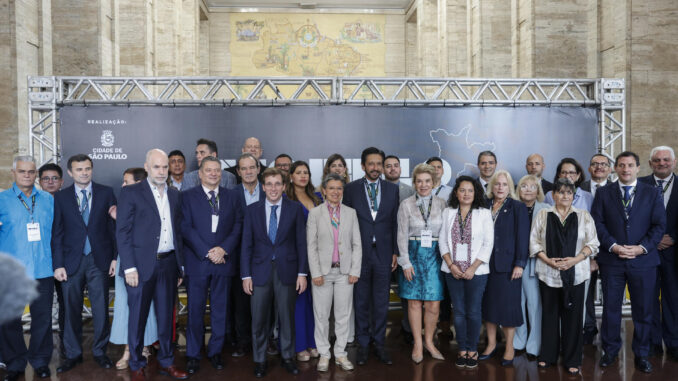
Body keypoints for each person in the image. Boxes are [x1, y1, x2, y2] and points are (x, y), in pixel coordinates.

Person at [116, 149, 188, 381]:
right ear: (146, 167)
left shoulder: (175, 195)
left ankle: (167, 362)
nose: (161, 171)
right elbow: (123, 232)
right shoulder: (131, 193)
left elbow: (178, 233)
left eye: (165, 167)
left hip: (168, 265)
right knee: (137, 318)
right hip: (139, 267)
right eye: (156, 167)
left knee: (167, 319)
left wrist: (179, 266)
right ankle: (136, 364)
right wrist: (128, 267)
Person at [592, 151, 665, 373]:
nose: (626, 169)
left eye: (630, 165)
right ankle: (610, 351)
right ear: (615, 168)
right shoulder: (604, 193)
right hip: (612, 260)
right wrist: (613, 245)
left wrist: (641, 248)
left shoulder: (652, 193)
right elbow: (597, 223)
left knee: (643, 310)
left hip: (643, 261)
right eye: (622, 165)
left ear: (638, 168)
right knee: (611, 309)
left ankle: (642, 354)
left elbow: (659, 226)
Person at [241, 168, 308, 378]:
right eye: (269, 184)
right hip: (259, 272)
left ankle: (288, 357)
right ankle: (260, 360)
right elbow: (246, 245)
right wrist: (246, 275)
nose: (273, 188)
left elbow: (301, 243)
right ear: (263, 187)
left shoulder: (295, 209)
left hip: (287, 271)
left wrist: (302, 273)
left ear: (284, 186)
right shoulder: (252, 210)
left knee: (286, 318)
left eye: (277, 183)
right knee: (259, 319)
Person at [52, 154, 116, 372]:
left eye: (87, 168)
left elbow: (112, 229)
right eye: (79, 169)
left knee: (100, 309)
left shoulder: (106, 193)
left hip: (99, 260)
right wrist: (58, 264)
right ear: (70, 172)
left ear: (92, 169)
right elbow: (57, 233)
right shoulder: (60, 198)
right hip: (71, 262)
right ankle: (72, 354)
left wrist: (115, 258)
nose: (84, 172)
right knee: (70, 310)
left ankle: (100, 352)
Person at [530, 178, 600, 374]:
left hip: (576, 273)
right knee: (550, 316)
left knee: (574, 318)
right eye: (560, 192)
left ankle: (572, 359)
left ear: (573, 196)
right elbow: (534, 242)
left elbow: (593, 243)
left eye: (569, 193)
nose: (565, 196)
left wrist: (574, 260)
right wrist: (548, 260)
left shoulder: (584, 216)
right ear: (553, 195)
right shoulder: (544, 214)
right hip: (548, 272)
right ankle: (548, 355)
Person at [182, 156, 243, 374]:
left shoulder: (232, 197)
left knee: (220, 311)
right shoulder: (187, 197)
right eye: (209, 170)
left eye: (217, 170)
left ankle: (216, 351)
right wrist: (208, 252)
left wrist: (223, 249)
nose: (213, 174)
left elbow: (238, 226)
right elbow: (185, 228)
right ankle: (193, 354)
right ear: (200, 173)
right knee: (195, 311)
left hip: (223, 262)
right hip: (197, 263)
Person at [342, 147, 399, 366]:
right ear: (363, 165)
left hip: (384, 254)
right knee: (362, 300)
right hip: (359, 254)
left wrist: (395, 251)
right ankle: (363, 344)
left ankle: (379, 344)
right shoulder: (351, 189)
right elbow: (346, 223)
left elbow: (394, 222)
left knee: (382, 302)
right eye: (371, 164)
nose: (375, 168)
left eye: (379, 164)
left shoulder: (391, 190)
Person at [0, 156, 55, 381]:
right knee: (9, 320)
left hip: (42, 268)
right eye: (22, 171)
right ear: (14, 173)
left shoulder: (48, 199)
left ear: (35, 174)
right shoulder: (2, 200)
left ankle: (40, 361)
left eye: (31, 172)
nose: (27, 175)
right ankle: (15, 362)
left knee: (42, 319)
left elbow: (57, 233)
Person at [307, 173, 362, 372]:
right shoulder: (315, 213)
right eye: (331, 188)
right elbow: (311, 246)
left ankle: (340, 353)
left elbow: (357, 244)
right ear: (323, 191)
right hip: (322, 272)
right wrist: (315, 273)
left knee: (343, 315)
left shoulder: (351, 213)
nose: (335, 192)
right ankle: (324, 353)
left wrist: (354, 270)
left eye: (339, 188)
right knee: (321, 315)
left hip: (344, 273)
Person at [439, 175, 494, 369]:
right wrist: (451, 265)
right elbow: (442, 241)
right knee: (459, 311)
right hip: (452, 270)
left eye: (470, 190)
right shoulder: (448, 212)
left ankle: (473, 349)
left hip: (476, 272)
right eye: (462, 190)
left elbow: (488, 243)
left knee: (473, 310)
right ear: (456, 192)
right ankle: (462, 349)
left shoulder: (484, 213)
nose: (466, 194)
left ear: (476, 193)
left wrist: (472, 267)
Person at [396, 164, 446, 363]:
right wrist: (405, 262)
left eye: (427, 181)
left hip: (435, 255)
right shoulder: (406, 204)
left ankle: (429, 342)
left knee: (433, 303)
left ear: (433, 183)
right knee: (414, 301)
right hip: (413, 254)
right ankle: (417, 343)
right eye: (419, 181)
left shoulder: (442, 204)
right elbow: (401, 235)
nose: (423, 185)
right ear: (414, 183)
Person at [479, 170, 529, 367]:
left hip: (508, 266)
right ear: (492, 186)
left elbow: (522, 238)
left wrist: (520, 263)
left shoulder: (517, 207)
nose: (500, 188)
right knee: (489, 306)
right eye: (497, 184)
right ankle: (491, 344)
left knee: (508, 308)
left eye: (504, 184)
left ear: (510, 187)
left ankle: (509, 346)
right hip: (484, 264)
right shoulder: (484, 206)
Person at [110, 167, 157, 370]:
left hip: (147, 260)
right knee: (126, 306)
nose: (122, 185)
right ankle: (129, 349)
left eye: (126, 181)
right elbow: (121, 235)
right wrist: (115, 259)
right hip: (126, 262)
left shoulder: (155, 200)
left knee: (147, 306)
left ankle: (144, 346)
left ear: (138, 183)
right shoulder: (124, 199)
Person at [639, 146, 678, 359]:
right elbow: (633, 218)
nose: (661, 163)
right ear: (650, 163)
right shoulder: (640, 185)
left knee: (673, 300)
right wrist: (653, 240)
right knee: (648, 300)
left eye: (665, 159)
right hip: (647, 253)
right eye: (657, 160)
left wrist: (674, 237)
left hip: (674, 253)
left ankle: (674, 343)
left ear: (673, 161)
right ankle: (652, 343)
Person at [285, 161, 322, 362]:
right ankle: (299, 346)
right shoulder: (285, 197)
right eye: (298, 172)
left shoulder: (317, 197)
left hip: (316, 256)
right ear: (291, 176)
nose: (303, 176)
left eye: (306, 172)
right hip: (295, 256)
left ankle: (313, 342)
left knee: (314, 302)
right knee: (299, 302)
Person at [229, 153, 265, 359]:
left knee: (266, 301)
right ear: (238, 172)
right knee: (241, 303)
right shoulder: (231, 194)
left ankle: (266, 340)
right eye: (244, 168)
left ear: (258, 169)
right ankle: (243, 342)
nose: (249, 172)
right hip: (238, 256)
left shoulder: (269, 190)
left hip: (264, 257)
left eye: (252, 167)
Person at [513, 175, 549, 360]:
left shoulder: (546, 209)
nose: (528, 190)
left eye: (532, 187)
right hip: (515, 264)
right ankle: (519, 341)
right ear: (518, 190)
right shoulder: (511, 208)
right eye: (524, 186)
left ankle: (534, 345)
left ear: (538, 191)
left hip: (536, 262)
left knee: (534, 304)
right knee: (517, 303)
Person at [579, 153, 612, 344]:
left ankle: (609, 334)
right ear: (589, 168)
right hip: (583, 252)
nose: (599, 167)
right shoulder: (579, 189)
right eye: (595, 164)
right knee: (585, 293)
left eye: (603, 164)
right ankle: (589, 328)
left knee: (611, 295)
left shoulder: (616, 189)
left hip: (609, 251)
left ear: (609, 169)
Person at [37, 162, 65, 356]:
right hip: (41, 263)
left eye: (54, 178)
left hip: (64, 262)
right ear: (39, 182)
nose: (50, 182)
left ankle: (67, 345)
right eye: (46, 178)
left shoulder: (69, 200)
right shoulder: (33, 201)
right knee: (42, 310)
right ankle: (42, 352)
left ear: (61, 181)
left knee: (67, 305)